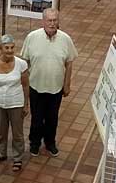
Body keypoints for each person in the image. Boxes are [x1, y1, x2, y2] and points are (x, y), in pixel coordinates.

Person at [20, 9, 77, 156]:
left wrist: (67, 84)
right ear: (43, 21)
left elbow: (69, 63)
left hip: (56, 88)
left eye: (55, 20)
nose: (52, 24)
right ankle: (34, 143)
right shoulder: (32, 37)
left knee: (52, 119)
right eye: (49, 20)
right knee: (37, 119)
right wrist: (23, 85)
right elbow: (24, 62)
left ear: (58, 21)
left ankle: (50, 143)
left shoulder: (65, 39)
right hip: (36, 87)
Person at [0, 34, 30, 172]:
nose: (10, 50)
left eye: (12, 47)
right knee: (2, 131)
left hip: (16, 103)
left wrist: (25, 104)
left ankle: (17, 157)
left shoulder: (21, 64)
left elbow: (25, 85)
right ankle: (2, 154)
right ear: (0, 49)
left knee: (17, 133)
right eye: (7, 48)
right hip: (0, 103)